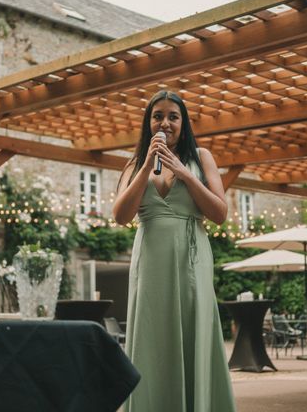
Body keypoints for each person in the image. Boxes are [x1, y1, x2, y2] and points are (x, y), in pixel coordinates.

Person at [113, 90, 236, 411]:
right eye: (158, 116)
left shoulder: (201, 156)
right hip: (151, 261)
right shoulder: (134, 163)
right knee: (151, 336)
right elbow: (121, 215)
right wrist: (144, 168)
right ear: (148, 122)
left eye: (173, 116)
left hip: (191, 261)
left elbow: (220, 213)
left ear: (183, 122)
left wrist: (183, 172)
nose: (165, 123)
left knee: (192, 332)